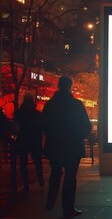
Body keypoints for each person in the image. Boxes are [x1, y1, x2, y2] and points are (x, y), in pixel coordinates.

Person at [42, 76, 91, 218]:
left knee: (56, 173)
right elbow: (86, 126)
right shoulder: (76, 105)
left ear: (58, 86)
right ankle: (68, 208)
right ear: (70, 86)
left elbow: (44, 124)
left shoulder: (50, 105)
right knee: (70, 177)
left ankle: (51, 200)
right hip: (72, 146)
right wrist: (77, 136)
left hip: (55, 145)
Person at [14, 93, 44, 193]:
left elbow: (16, 127)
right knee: (37, 161)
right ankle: (40, 179)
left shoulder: (19, 113)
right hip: (35, 140)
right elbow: (41, 127)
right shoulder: (37, 114)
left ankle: (26, 184)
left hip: (23, 139)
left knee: (23, 163)